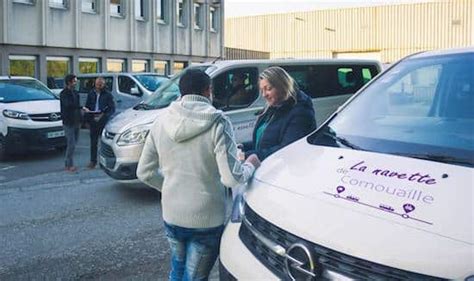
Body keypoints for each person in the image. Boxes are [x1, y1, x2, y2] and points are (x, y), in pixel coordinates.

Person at [136, 69, 260, 281]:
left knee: (177, 271)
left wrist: (168, 187)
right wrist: (250, 164)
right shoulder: (218, 122)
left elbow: (144, 172)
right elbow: (231, 178)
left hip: (172, 212)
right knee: (194, 277)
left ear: (181, 90)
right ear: (208, 90)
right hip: (206, 218)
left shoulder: (161, 121)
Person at [244, 66, 317, 160]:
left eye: (268, 89)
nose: (264, 95)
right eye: (262, 90)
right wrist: (243, 148)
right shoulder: (273, 106)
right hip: (266, 165)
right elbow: (264, 141)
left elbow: (287, 150)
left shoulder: (301, 113)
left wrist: (249, 155)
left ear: (282, 86)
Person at [83, 77, 115, 169]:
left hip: (103, 120)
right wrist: (86, 120)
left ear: (104, 85)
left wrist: (103, 116)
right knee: (93, 143)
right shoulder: (91, 93)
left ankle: (104, 162)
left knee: (104, 143)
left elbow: (111, 108)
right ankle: (93, 161)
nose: (99, 86)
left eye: (101, 85)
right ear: (95, 84)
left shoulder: (108, 95)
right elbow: (87, 105)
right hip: (93, 119)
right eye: (98, 84)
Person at [59, 74, 81, 172]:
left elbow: (77, 105)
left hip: (76, 120)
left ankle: (69, 163)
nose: (75, 83)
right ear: (69, 82)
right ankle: (68, 164)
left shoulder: (76, 93)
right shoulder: (64, 93)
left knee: (74, 143)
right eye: (74, 81)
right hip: (68, 121)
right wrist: (79, 107)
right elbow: (68, 105)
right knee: (71, 143)